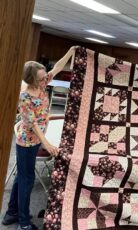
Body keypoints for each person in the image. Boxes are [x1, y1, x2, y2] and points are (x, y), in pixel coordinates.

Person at [2, 46, 77, 230]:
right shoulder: (25, 96)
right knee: (27, 180)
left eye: (45, 76)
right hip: (28, 141)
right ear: (32, 78)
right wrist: (48, 144)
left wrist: (71, 51)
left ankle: (11, 213)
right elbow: (33, 125)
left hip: (35, 140)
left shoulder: (42, 84)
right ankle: (24, 222)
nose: (46, 78)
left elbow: (57, 68)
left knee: (22, 176)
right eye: (42, 77)